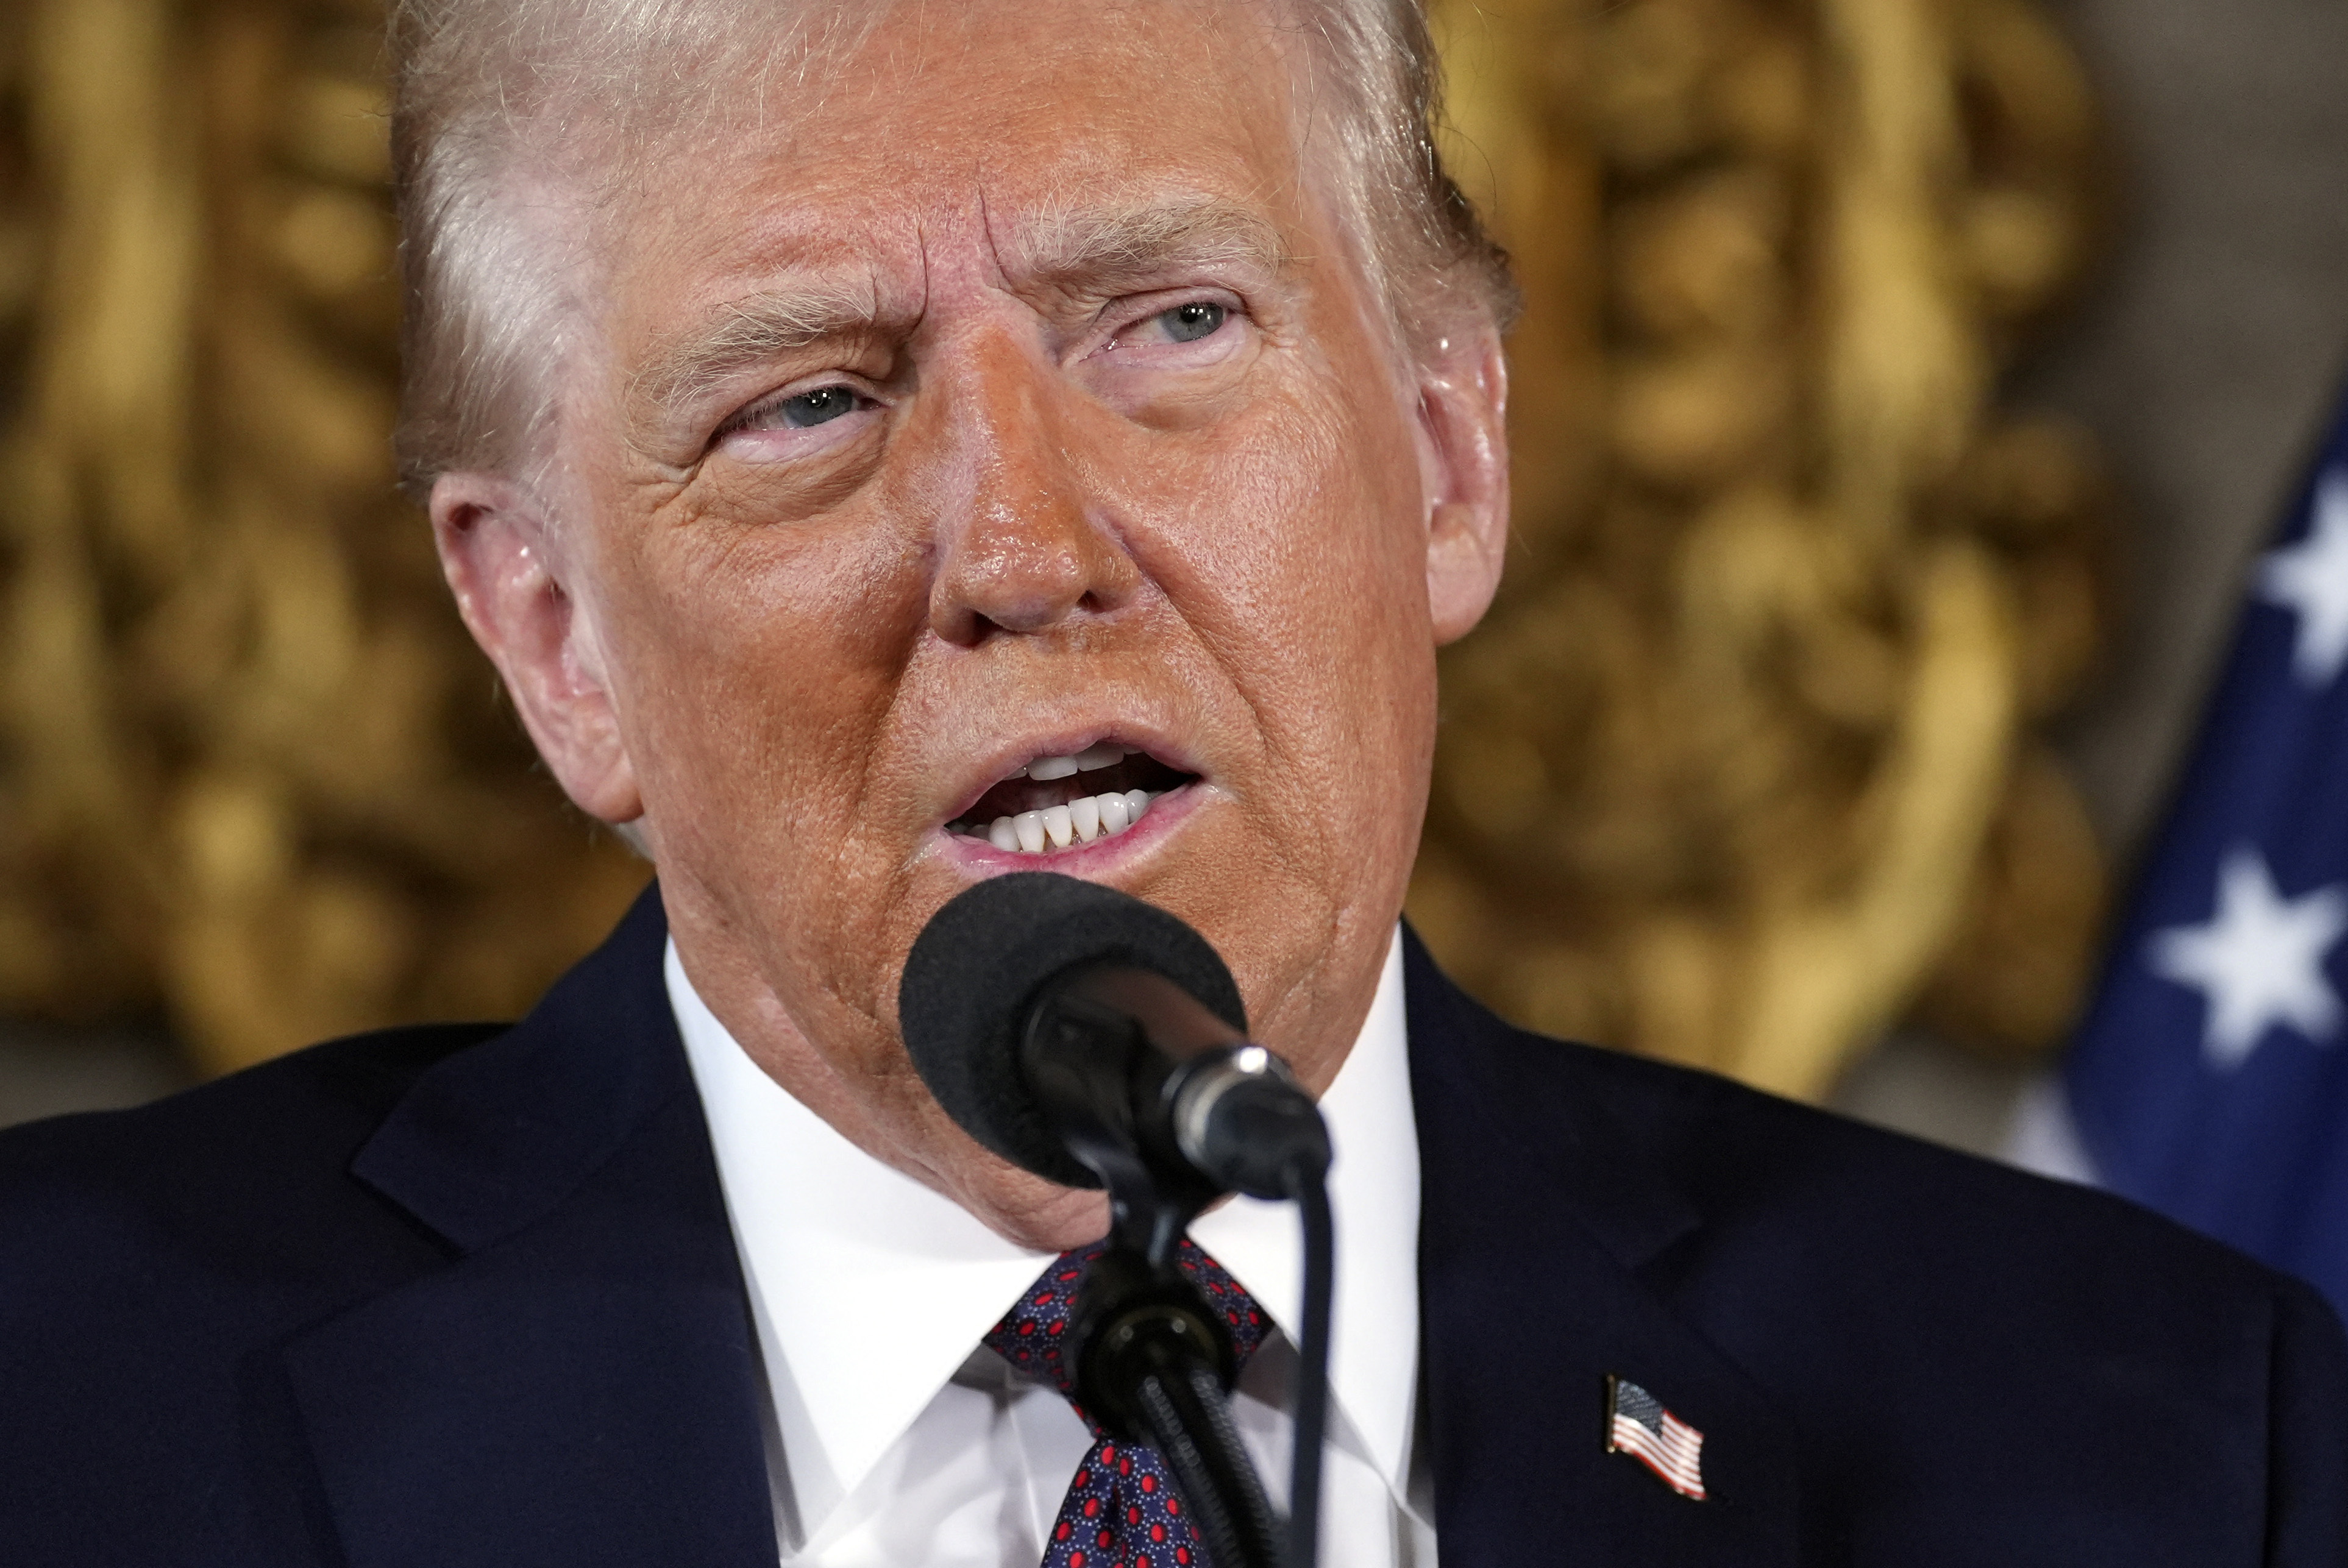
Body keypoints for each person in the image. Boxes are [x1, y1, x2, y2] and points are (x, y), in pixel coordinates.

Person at [2, 1, 2342, 1563]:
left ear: (1443, 455)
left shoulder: (2156, 1444)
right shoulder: (58, 1407)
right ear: (553, 637)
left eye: (1173, 326)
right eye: (810, 402)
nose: (1023, 550)